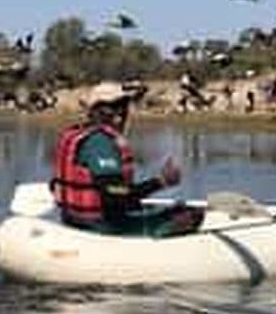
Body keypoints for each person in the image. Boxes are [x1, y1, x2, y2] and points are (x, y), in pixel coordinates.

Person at [51, 81, 203, 236]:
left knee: (174, 209)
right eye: (121, 107)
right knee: (192, 215)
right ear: (112, 113)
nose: (124, 113)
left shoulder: (79, 133)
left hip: (71, 218)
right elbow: (114, 194)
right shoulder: (100, 143)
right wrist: (161, 182)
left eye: (124, 106)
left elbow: (108, 190)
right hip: (100, 226)